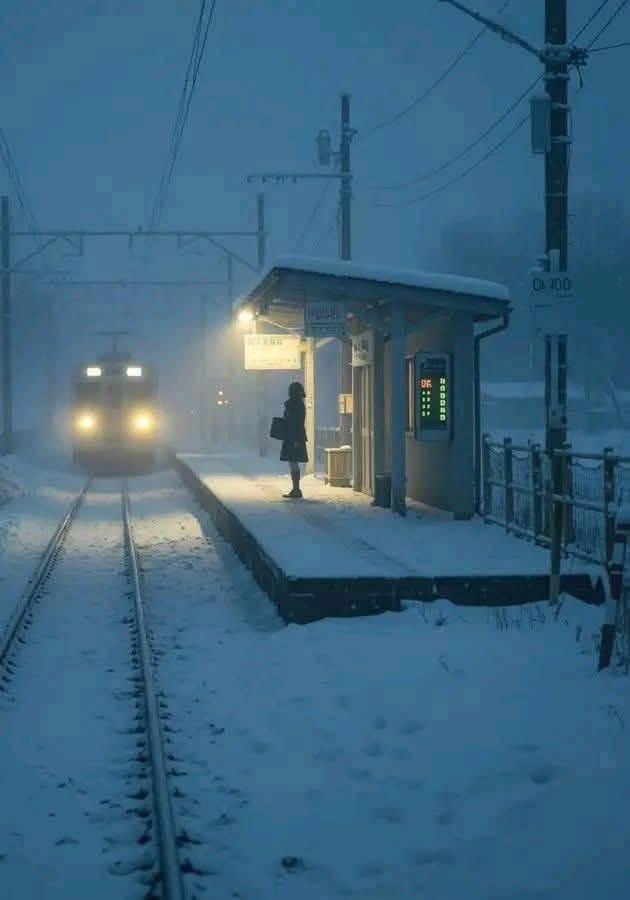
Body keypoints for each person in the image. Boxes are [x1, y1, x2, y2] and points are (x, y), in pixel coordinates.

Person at [280, 381, 308, 498]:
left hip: (293, 437)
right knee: (293, 462)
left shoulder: (293, 404)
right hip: (296, 436)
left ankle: (296, 490)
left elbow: (294, 422)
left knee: (293, 462)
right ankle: (296, 489)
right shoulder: (300, 404)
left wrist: (296, 439)